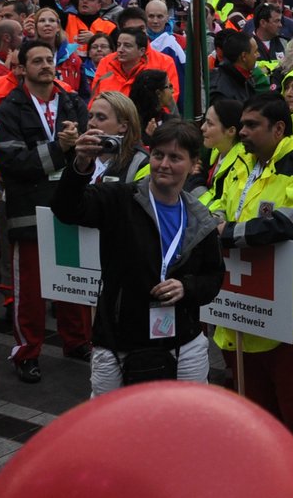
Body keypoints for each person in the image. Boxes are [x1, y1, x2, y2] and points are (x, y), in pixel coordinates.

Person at [51, 119, 225, 396]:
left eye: (175, 157)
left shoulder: (200, 219)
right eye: (158, 155)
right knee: (112, 428)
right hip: (117, 341)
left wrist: (186, 287)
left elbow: (213, 277)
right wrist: (80, 163)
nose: (164, 164)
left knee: (186, 425)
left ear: (194, 165)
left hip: (183, 343)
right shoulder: (119, 199)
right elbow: (66, 209)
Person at [209, 93, 293, 459]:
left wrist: (227, 233)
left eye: (251, 126)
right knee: (254, 406)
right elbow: (215, 204)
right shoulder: (241, 162)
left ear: (279, 128)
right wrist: (206, 224)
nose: (242, 133)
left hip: (289, 309)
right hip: (242, 304)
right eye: (241, 125)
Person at [0, 39, 91, 383]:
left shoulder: (73, 101)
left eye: (49, 59)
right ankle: (26, 352)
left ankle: (77, 341)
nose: (46, 65)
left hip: (70, 204)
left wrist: (73, 146)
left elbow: (91, 146)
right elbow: (13, 163)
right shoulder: (8, 109)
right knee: (30, 293)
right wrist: (58, 148)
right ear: (21, 68)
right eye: (37, 61)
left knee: (74, 282)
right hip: (28, 211)